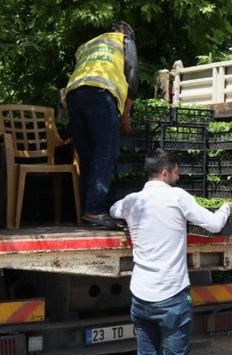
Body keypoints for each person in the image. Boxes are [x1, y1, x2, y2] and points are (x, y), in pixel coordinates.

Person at [110, 148, 232, 355]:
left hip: (140, 297)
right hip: (171, 297)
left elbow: (113, 210)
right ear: (165, 173)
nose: (178, 178)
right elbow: (214, 225)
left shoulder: (132, 201)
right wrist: (226, 208)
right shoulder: (177, 197)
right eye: (177, 173)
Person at [64, 21, 139, 229]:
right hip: (100, 95)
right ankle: (95, 209)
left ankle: (88, 211)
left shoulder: (90, 44)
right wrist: (125, 117)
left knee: (87, 156)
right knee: (105, 153)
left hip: (73, 96)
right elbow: (132, 79)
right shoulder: (124, 41)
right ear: (124, 32)